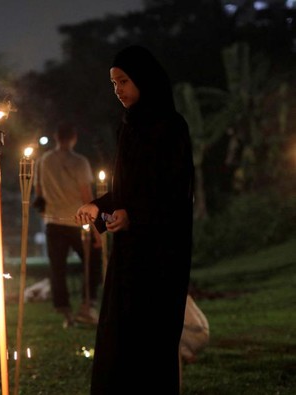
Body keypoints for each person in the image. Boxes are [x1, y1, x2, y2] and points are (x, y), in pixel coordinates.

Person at [75, 45, 194, 394]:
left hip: (161, 256)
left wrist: (135, 217)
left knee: (150, 346)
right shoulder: (127, 128)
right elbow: (124, 190)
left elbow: (174, 193)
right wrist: (99, 207)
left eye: (124, 81)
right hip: (128, 256)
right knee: (118, 338)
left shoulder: (171, 127)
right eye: (114, 84)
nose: (119, 91)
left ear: (144, 79)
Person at [34, 122, 103, 327]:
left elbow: (38, 192)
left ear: (56, 137)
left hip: (54, 222)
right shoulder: (80, 162)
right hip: (77, 221)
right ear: (74, 138)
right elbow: (86, 196)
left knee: (58, 268)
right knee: (92, 261)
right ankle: (86, 304)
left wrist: (46, 212)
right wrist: (97, 230)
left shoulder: (43, 161)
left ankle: (66, 314)